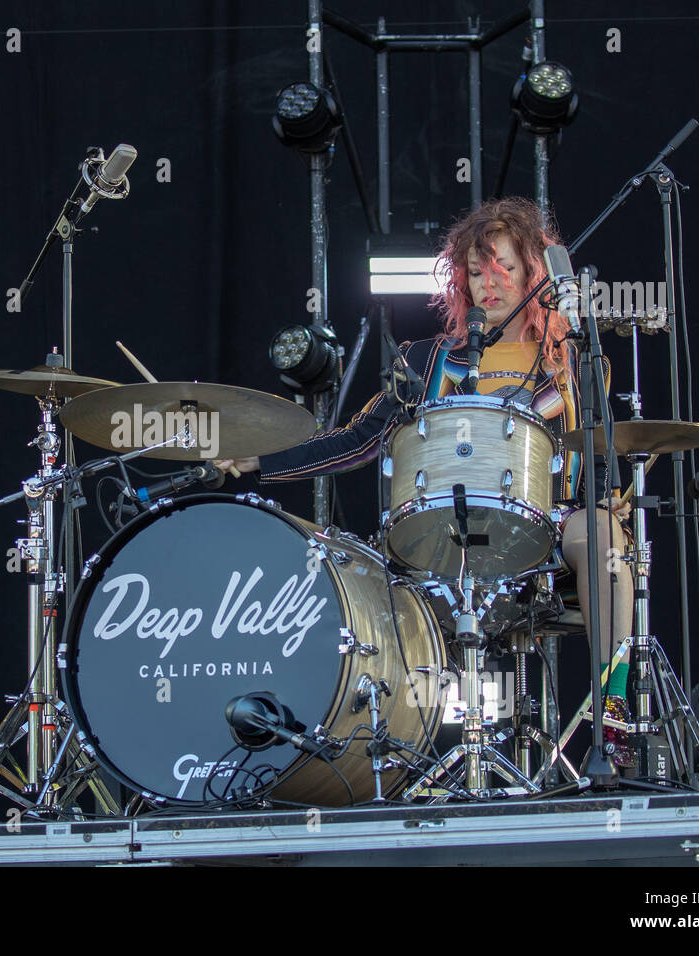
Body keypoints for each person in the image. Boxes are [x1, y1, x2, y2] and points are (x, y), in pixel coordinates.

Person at [218, 197, 636, 766]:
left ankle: (616, 717)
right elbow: (358, 440)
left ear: (535, 273)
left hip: (543, 527)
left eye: (503, 267)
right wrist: (262, 460)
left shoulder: (574, 363)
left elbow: (598, 460)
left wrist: (602, 498)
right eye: (476, 271)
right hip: (438, 525)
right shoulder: (424, 360)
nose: (489, 283)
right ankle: (372, 754)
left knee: (604, 537)